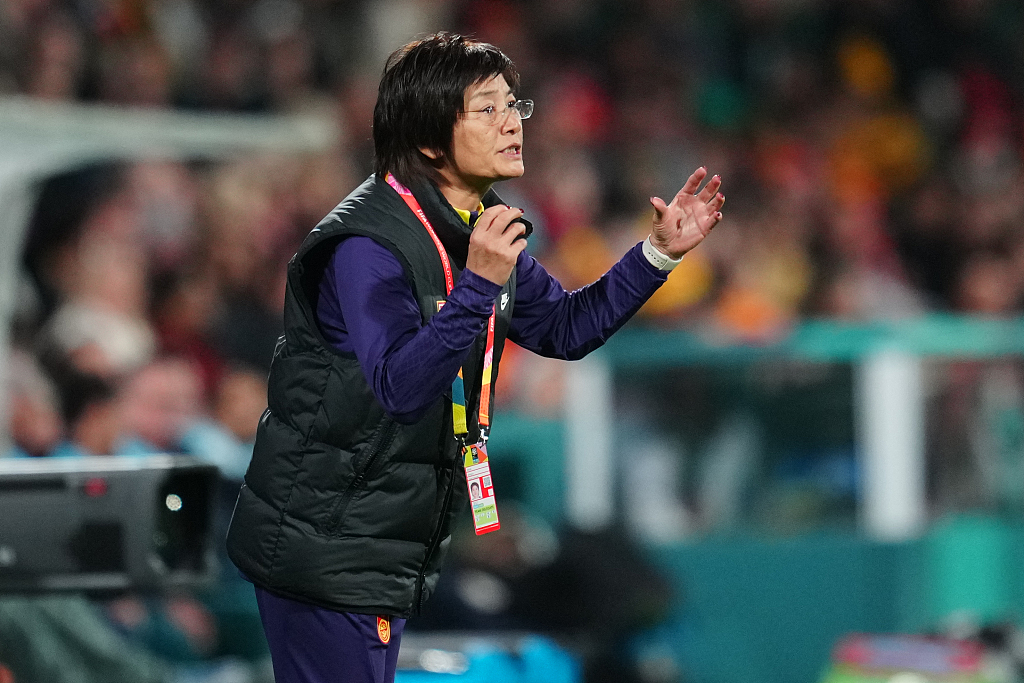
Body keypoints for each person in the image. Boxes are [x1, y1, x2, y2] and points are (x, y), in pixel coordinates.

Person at [225, 32, 725, 683]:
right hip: (324, 539)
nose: (512, 121)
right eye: (487, 109)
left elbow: (566, 328)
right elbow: (398, 389)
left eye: (514, 105)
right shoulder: (366, 245)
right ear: (431, 136)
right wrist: (479, 285)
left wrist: (656, 254)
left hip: (380, 538)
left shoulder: (476, 222)